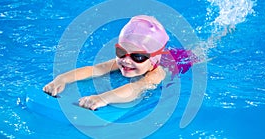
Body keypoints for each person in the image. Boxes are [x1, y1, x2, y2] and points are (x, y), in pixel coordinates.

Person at [43, 15, 194, 110]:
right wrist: (62, 78)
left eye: (138, 57)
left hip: (181, 59)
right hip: (161, 53)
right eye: (121, 52)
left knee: (201, 52)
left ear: (153, 59)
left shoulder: (156, 73)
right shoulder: (127, 59)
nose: (127, 60)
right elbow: (95, 69)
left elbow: (136, 88)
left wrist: (103, 98)